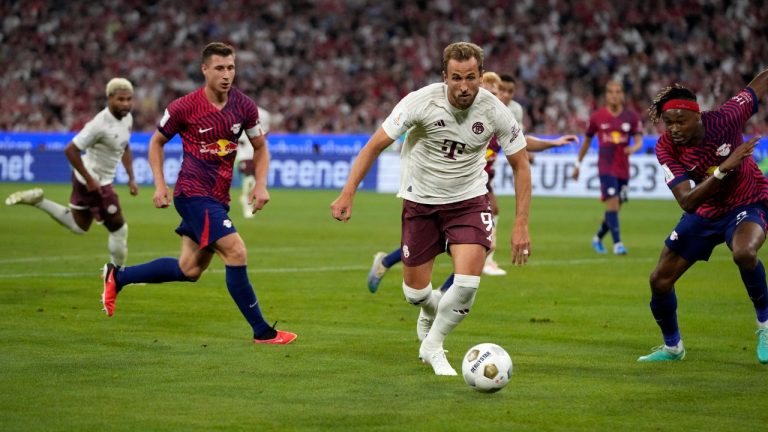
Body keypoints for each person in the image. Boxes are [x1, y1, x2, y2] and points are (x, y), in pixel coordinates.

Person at [331, 42, 532, 376]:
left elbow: (521, 165)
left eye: (471, 78)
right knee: (416, 293)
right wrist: (347, 192)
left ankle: (434, 346)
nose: (464, 86)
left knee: (467, 284)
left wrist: (521, 224)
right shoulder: (420, 102)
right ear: (445, 77)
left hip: (468, 200)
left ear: (482, 77)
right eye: (456, 78)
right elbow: (374, 146)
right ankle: (429, 311)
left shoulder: (495, 110)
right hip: (421, 202)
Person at [100, 42, 296, 345]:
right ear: (205, 69)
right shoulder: (184, 107)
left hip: (217, 199)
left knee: (189, 269)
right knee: (236, 251)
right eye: (219, 68)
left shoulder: (244, 106)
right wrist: (160, 185)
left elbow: (260, 147)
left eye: (231, 68)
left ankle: (118, 277)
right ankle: (262, 331)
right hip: (192, 194)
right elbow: (156, 143)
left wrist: (260, 184)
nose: (226, 74)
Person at [367, 72, 576, 292]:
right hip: (453, 183)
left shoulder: (502, 116)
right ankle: (432, 288)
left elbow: (522, 143)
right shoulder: (469, 111)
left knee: (481, 241)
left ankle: (426, 284)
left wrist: (551, 144)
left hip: (478, 182)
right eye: (496, 91)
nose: (501, 96)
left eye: (504, 92)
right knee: (479, 243)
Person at [638, 68, 768, 363]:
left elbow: (762, 79)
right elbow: (686, 200)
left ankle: (765, 326)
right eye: (668, 123)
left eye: (680, 122)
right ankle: (673, 347)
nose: (673, 129)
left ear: (698, 116)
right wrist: (724, 169)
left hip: (747, 200)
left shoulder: (727, 117)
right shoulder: (665, 147)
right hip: (705, 210)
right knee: (659, 280)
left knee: (745, 252)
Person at [5, 77, 138, 266]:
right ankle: (119, 275)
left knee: (79, 226)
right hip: (96, 182)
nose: (125, 104)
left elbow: (125, 146)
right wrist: (90, 179)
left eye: (128, 99)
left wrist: (131, 177)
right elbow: (70, 150)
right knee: (119, 229)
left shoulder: (127, 118)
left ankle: (39, 201)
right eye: (120, 99)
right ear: (109, 98)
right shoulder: (99, 125)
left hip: (89, 180)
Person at [572, 81, 643, 255]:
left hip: (623, 167)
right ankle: (618, 244)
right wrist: (577, 164)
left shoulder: (631, 117)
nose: (614, 95)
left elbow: (639, 141)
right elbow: (587, 142)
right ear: (606, 95)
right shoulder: (597, 117)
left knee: (617, 206)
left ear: (622, 95)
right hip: (606, 166)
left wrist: (632, 148)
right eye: (611, 92)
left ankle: (597, 238)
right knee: (612, 203)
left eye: (618, 92)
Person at [236, 107, 271, 219]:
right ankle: (246, 200)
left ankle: (246, 197)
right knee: (249, 178)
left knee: (254, 179)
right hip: (245, 154)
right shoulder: (264, 114)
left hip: (252, 152)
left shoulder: (239, 111)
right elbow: (266, 134)